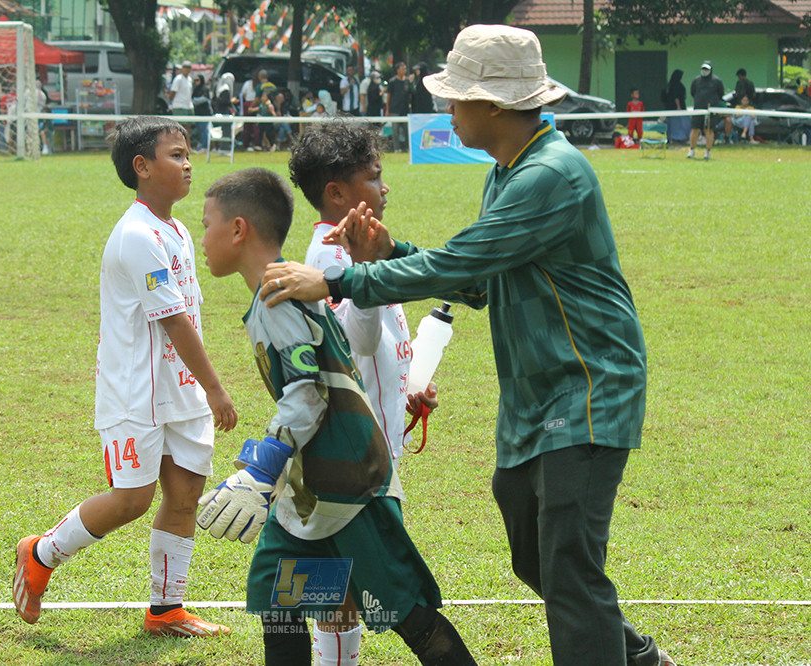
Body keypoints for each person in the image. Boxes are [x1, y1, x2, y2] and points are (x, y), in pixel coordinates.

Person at [260, 24, 678, 666]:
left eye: (457, 96)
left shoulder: (552, 174)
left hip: (588, 388)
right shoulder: (507, 173)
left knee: (565, 566)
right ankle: (641, 659)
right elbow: (479, 279)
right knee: (533, 553)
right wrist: (390, 253)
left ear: (494, 104)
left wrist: (340, 277)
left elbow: (462, 262)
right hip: (535, 398)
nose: (447, 108)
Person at [195, 167, 477, 666]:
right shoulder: (280, 290)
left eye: (206, 224)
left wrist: (261, 467)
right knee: (278, 596)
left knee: (405, 609)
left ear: (238, 230)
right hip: (310, 490)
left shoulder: (278, 297)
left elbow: (309, 394)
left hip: (350, 486)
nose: (202, 238)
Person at [11, 116, 238, 637]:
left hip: (179, 391)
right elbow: (175, 321)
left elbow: (185, 315)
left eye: (186, 153)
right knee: (132, 500)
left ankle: (166, 610)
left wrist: (198, 388)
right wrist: (216, 388)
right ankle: (41, 553)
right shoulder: (137, 234)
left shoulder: (176, 229)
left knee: (183, 496)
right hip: (136, 392)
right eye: (176, 155)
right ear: (142, 167)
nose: (188, 164)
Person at [291, 119, 440, 666]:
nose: (385, 188)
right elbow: (352, 343)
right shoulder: (331, 259)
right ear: (337, 193)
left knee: (346, 590)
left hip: (367, 446)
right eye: (374, 178)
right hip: (351, 458)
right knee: (354, 593)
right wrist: (366, 275)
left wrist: (408, 386)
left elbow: (374, 350)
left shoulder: (356, 249)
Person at [688, 60, 724, 160]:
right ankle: (691, 150)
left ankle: (707, 152)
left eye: (706, 69)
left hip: (711, 110)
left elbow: (721, 93)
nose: (704, 71)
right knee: (695, 129)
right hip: (698, 109)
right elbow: (692, 92)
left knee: (709, 130)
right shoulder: (696, 80)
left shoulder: (717, 81)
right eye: (703, 69)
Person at [386, 62, 411, 151]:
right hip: (394, 109)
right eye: (403, 69)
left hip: (405, 109)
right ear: (398, 70)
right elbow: (388, 96)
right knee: (395, 131)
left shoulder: (407, 81)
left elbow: (410, 95)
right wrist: (387, 109)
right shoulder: (392, 81)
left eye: (405, 69)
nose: (405, 70)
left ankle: (407, 148)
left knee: (406, 130)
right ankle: (396, 149)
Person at [169, 61, 194, 146]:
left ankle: (188, 147)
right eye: (185, 67)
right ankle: (177, 146)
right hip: (179, 105)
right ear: (182, 69)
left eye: (188, 67)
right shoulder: (178, 79)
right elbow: (172, 93)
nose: (186, 69)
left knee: (187, 128)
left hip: (188, 106)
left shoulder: (190, 79)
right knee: (179, 128)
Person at [661, 69, 689, 143]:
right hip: (676, 108)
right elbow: (676, 97)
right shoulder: (677, 85)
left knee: (670, 124)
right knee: (677, 124)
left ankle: (670, 137)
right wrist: (678, 107)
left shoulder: (669, 85)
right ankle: (678, 137)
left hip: (669, 108)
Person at [192, 74, 212, 151]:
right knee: (200, 130)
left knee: (204, 130)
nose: (196, 82)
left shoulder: (205, 89)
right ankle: (202, 145)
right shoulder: (195, 89)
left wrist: (194, 101)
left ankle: (205, 147)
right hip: (197, 113)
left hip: (205, 113)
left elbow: (205, 98)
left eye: (197, 80)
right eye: (195, 80)